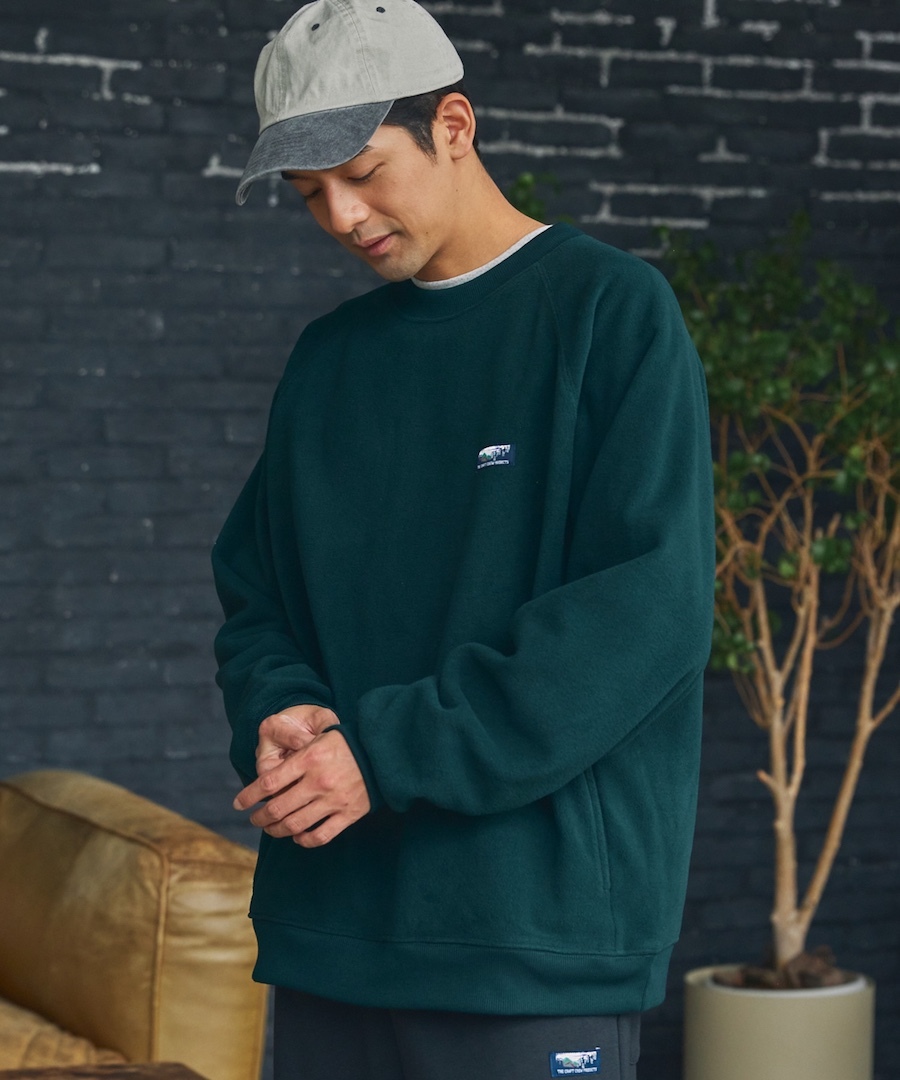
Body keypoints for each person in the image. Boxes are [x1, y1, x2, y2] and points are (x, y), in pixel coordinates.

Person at [212, 2, 715, 1078]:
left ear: (452, 124)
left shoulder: (609, 313)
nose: (343, 216)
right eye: (311, 195)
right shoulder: (329, 361)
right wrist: (279, 707)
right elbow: (256, 595)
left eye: (362, 172)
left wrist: (380, 754)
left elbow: (646, 613)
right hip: (333, 933)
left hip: (527, 942)